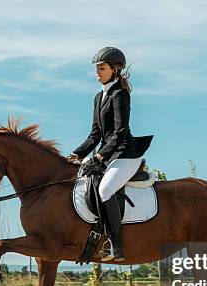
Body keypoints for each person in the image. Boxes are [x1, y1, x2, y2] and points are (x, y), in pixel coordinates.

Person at [66, 46, 153, 262]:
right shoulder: (99, 97)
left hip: (126, 155)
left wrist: (99, 157)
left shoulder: (120, 94)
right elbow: (95, 134)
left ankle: (116, 244)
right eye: (97, 68)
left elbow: (120, 133)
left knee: (105, 189)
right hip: (110, 155)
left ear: (115, 69)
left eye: (102, 68)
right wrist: (76, 155)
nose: (98, 72)